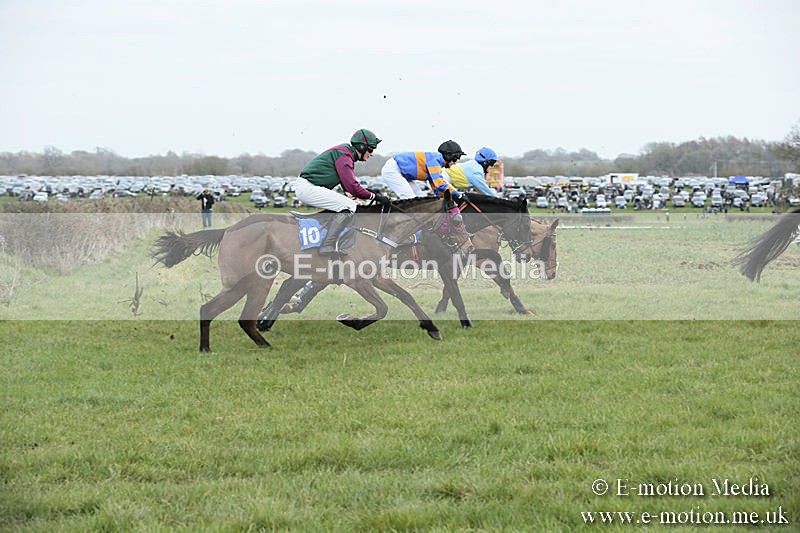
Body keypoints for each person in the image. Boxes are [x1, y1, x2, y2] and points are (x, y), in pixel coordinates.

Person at [294, 128, 391, 256]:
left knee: (346, 204)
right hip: (307, 187)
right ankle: (327, 245)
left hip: (309, 186)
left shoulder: (346, 153)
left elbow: (347, 186)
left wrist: (367, 193)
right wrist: (375, 196)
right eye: (371, 149)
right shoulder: (345, 155)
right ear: (361, 147)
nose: (372, 153)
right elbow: (352, 187)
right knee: (349, 206)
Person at [380, 140, 466, 200]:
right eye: (455, 160)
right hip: (393, 170)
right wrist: (458, 195)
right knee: (410, 199)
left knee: (422, 198)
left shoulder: (437, 163)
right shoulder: (435, 161)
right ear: (448, 156)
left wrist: (443, 198)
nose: (454, 163)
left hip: (402, 173)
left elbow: (436, 188)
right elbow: (440, 184)